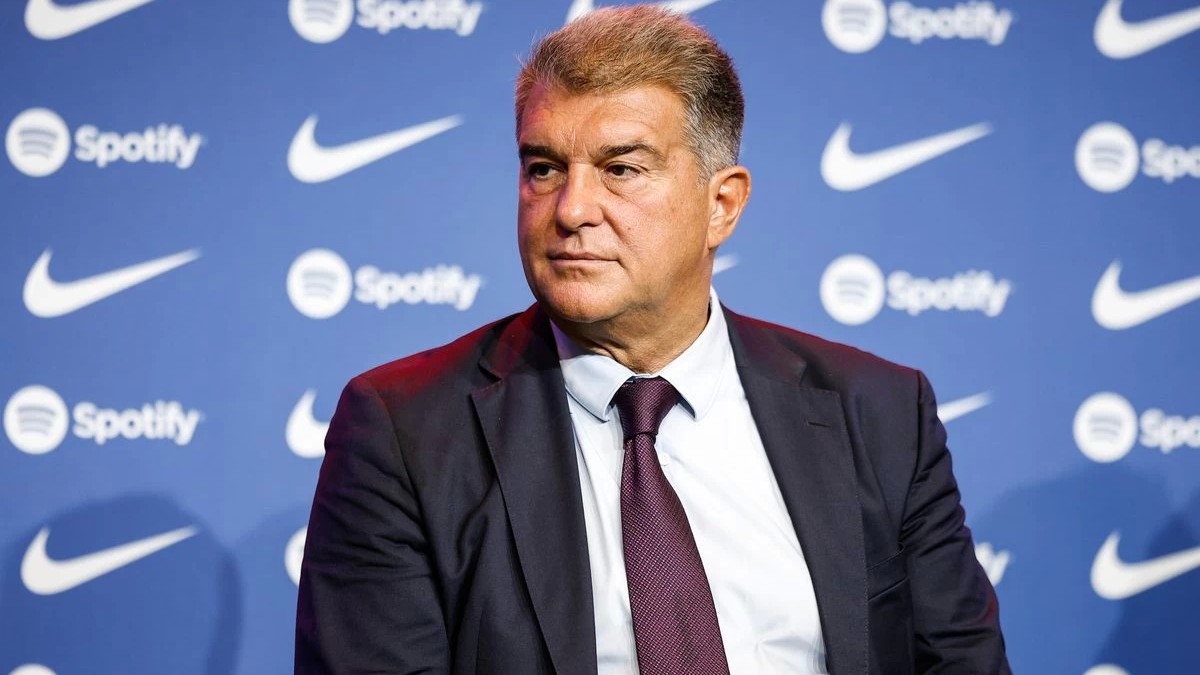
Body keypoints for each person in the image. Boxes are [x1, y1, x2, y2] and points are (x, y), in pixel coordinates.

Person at [295, 6, 1010, 674]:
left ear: (721, 204)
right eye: (544, 169)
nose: (572, 209)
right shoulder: (407, 431)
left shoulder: (879, 411)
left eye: (621, 170)